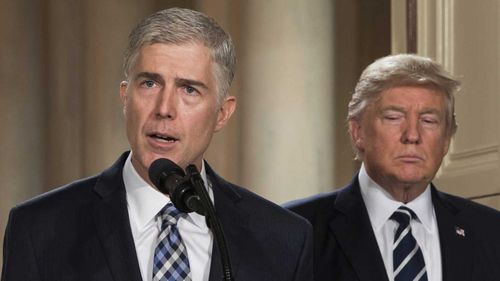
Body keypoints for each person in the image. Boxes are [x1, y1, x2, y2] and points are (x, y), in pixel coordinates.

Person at [2, 8, 312, 281]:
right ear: (126, 97)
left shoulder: (283, 240)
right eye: (149, 83)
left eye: (189, 89)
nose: (164, 108)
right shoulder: (39, 230)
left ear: (222, 113)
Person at [287, 54, 500, 281]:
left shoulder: (491, 232)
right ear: (358, 131)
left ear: (447, 138)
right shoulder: (295, 230)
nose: (412, 135)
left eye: (428, 121)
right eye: (393, 117)